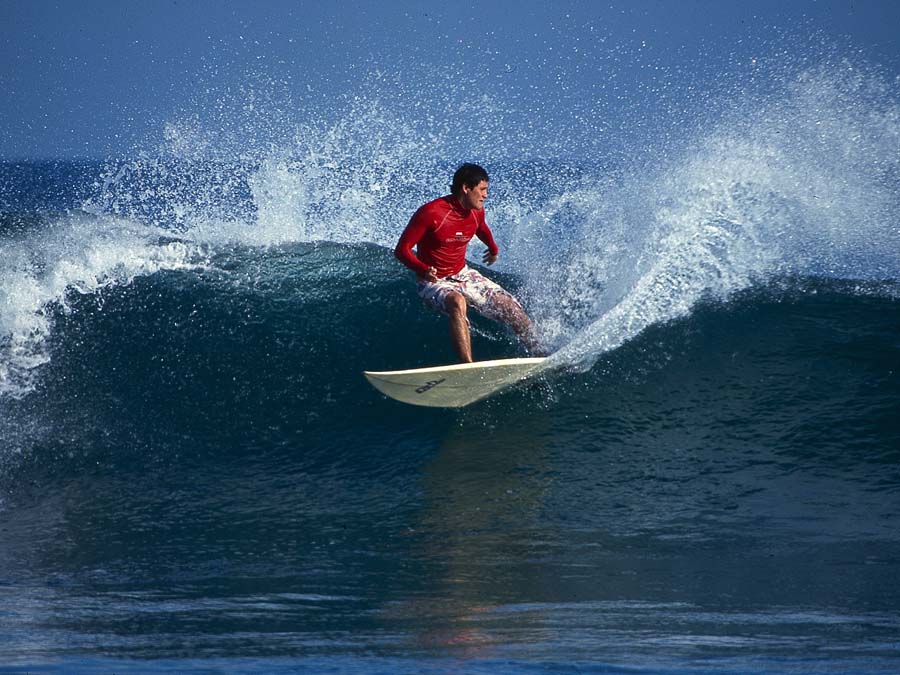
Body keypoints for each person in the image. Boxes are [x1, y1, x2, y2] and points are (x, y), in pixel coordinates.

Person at [394, 163, 540, 363]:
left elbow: (481, 228)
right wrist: (423, 269)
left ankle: (539, 353)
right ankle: (467, 367)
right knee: (457, 301)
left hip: (463, 273)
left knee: (510, 306)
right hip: (434, 281)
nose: (485, 195)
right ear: (466, 188)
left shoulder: (476, 211)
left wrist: (493, 248)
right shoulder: (431, 213)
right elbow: (401, 250)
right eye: (482, 189)